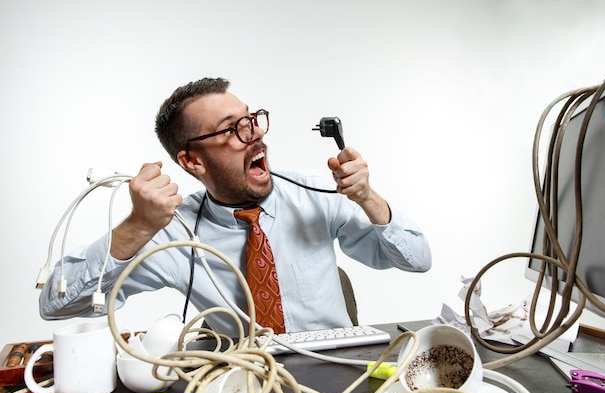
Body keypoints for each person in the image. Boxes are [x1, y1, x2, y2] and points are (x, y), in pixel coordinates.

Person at [39, 77, 432, 336]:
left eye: (252, 120)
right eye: (232, 129)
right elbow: (55, 305)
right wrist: (137, 228)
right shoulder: (176, 231)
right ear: (193, 161)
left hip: (336, 371)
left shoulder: (316, 193)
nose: (255, 135)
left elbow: (417, 259)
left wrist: (368, 198)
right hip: (240, 382)